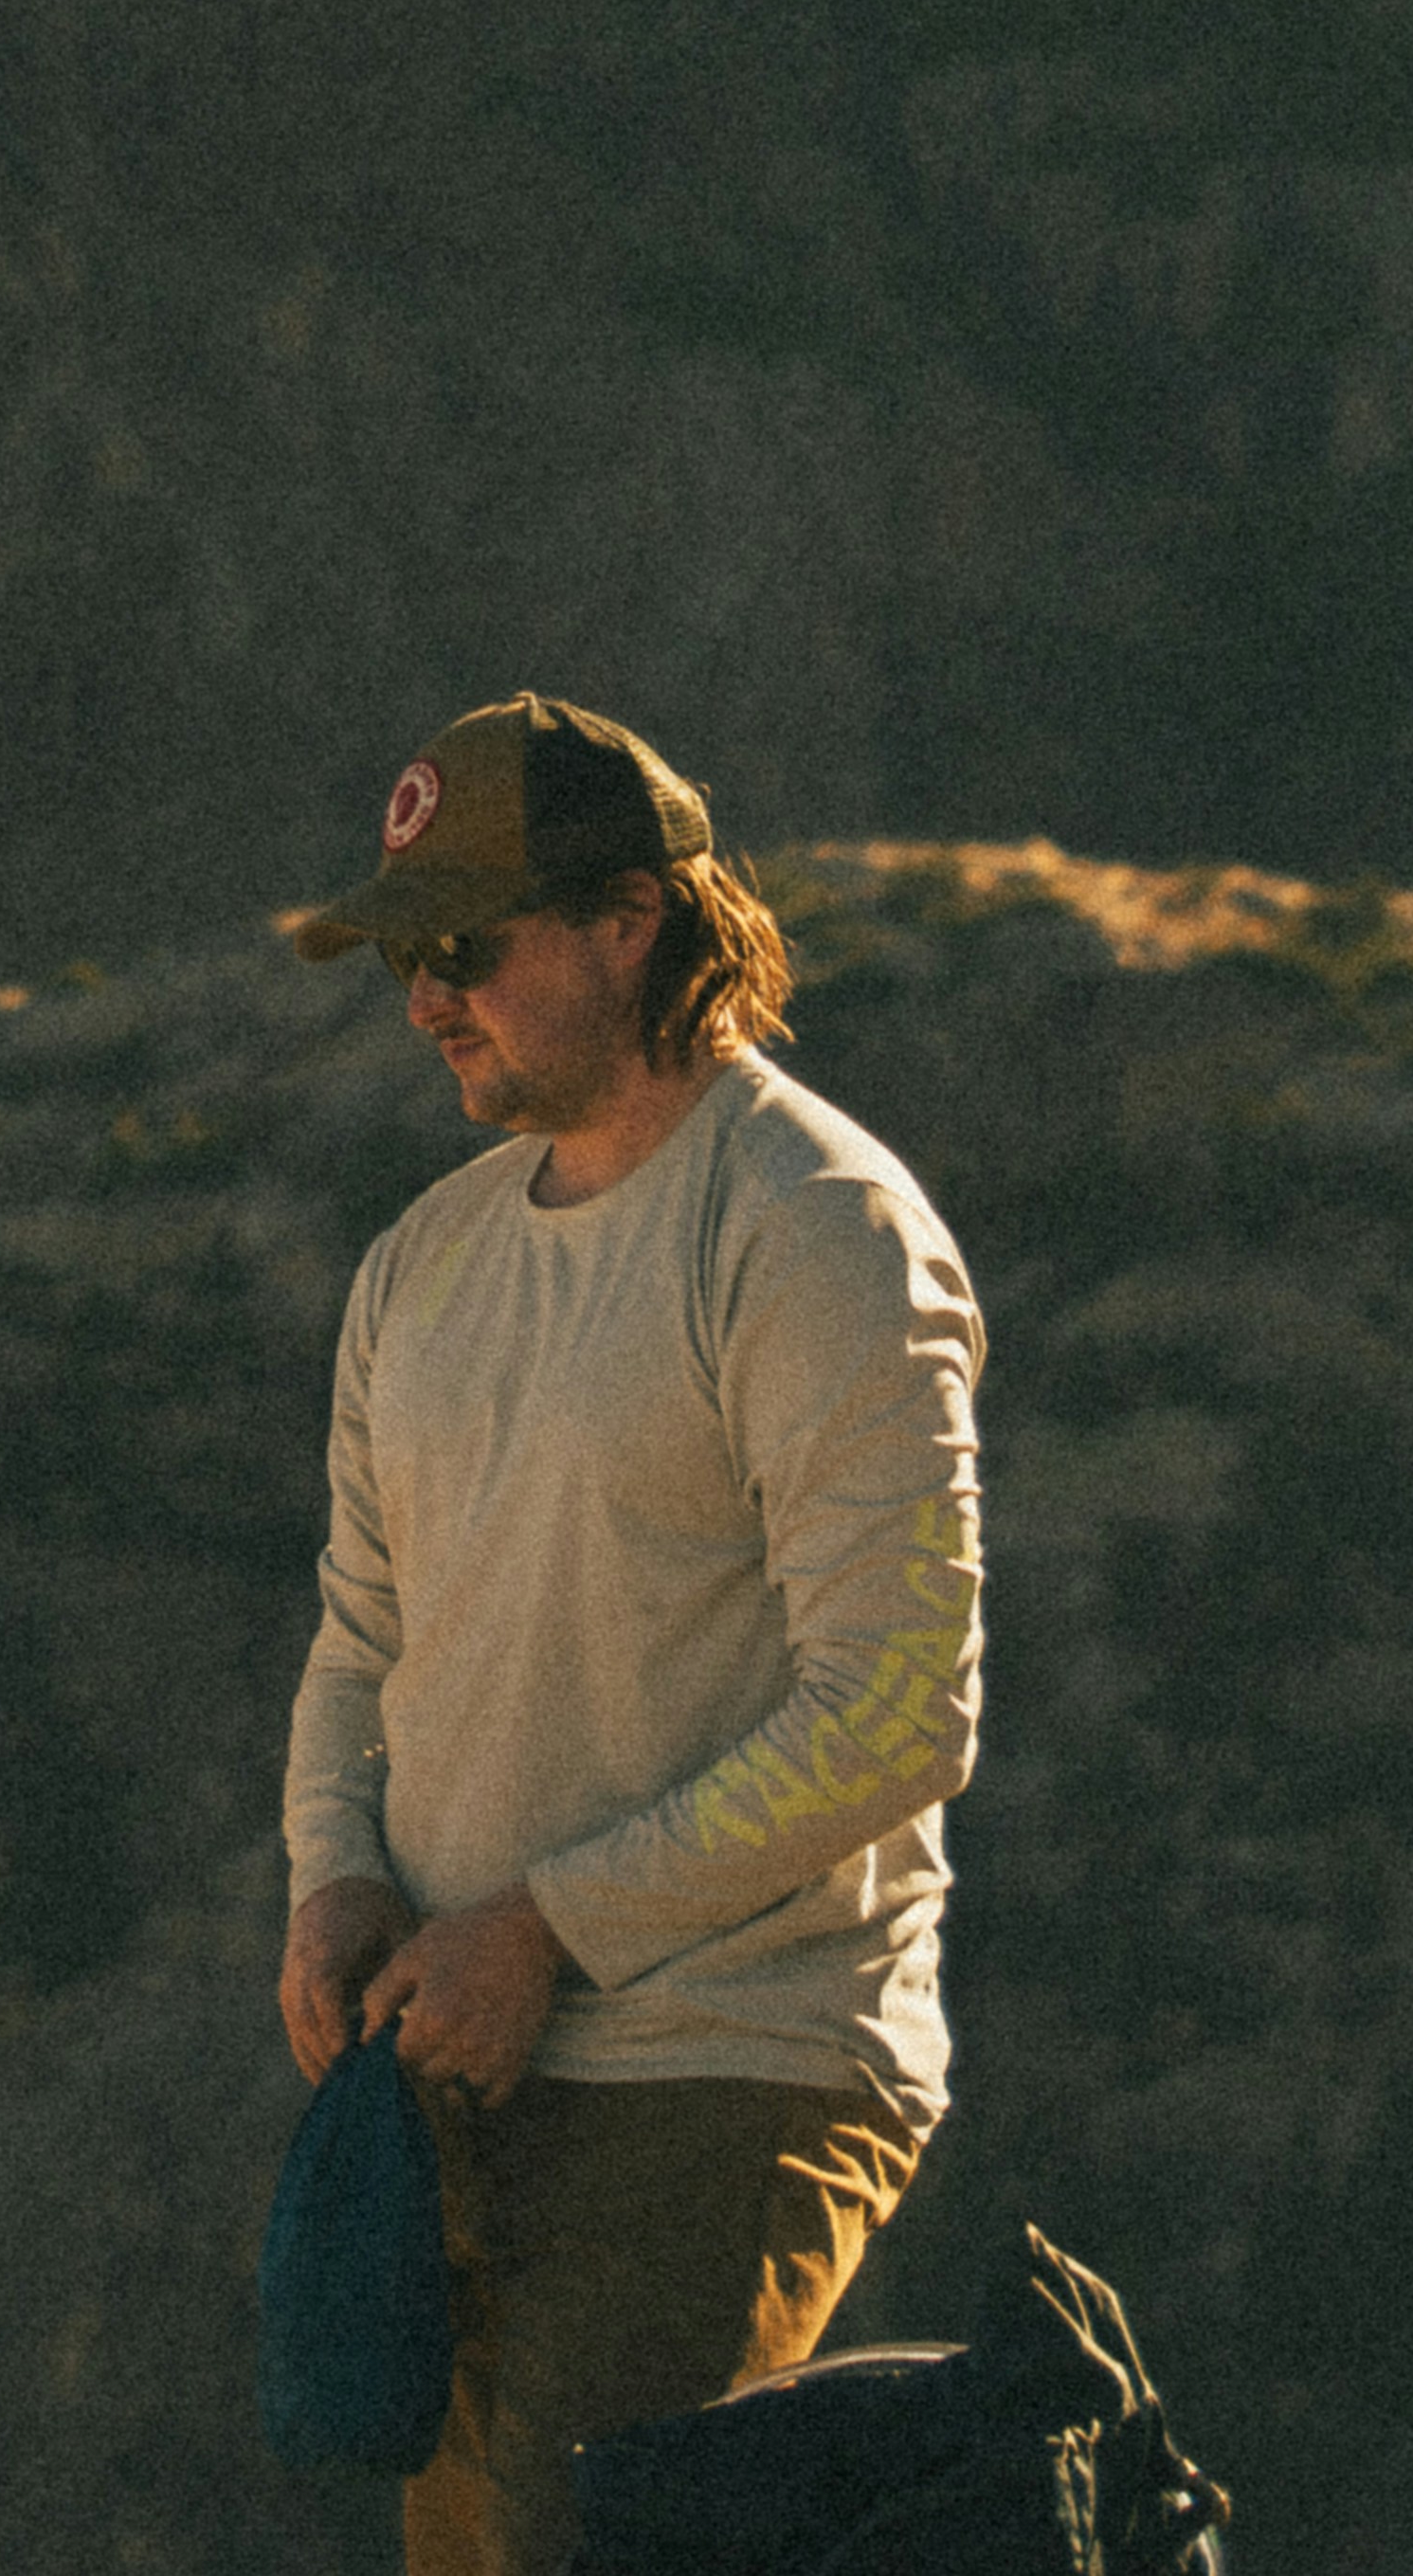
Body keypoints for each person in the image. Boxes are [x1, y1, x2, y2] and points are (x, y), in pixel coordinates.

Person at [270, 698, 988, 2576]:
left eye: (466, 947)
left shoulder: (812, 1224)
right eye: (406, 958)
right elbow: (362, 1640)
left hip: (725, 2068)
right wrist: (333, 1880)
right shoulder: (424, 1261)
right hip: (454, 2075)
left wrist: (546, 1930)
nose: (428, 999)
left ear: (632, 919)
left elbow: (901, 1708)